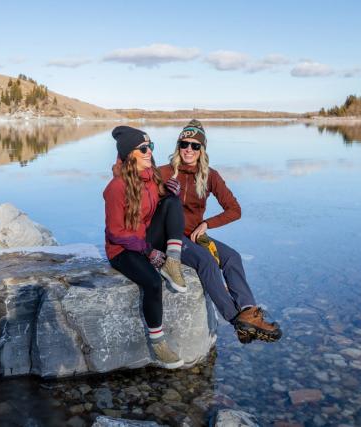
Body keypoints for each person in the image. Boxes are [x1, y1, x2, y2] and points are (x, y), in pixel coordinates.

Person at [159, 120, 282, 344]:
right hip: (170, 236)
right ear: (178, 146)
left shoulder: (210, 175)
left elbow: (235, 210)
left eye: (195, 146)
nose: (189, 149)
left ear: (202, 150)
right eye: (184, 144)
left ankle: (248, 310)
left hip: (195, 234)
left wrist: (206, 224)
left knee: (232, 257)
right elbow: (135, 190)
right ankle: (236, 320)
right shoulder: (164, 172)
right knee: (206, 261)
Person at [104, 125, 188, 369]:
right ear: (130, 154)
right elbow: (116, 232)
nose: (149, 152)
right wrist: (149, 252)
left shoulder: (151, 176)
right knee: (152, 282)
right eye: (143, 148)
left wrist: (166, 191)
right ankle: (159, 343)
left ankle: (172, 261)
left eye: (150, 146)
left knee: (172, 202)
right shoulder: (115, 188)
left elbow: (150, 202)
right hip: (122, 250)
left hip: (143, 238)